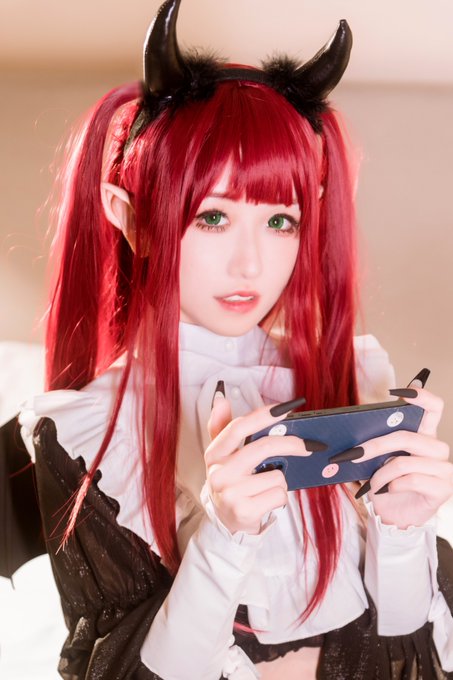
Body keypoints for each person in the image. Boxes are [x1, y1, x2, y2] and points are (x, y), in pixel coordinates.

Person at [18, 1, 453, 678]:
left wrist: (403, 527)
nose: (251, 265)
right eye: (212, 217)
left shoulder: (350, 376)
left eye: (281, 221)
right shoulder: (87, 431)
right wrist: (224, 535)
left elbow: (403, 643)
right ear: (130, 216)